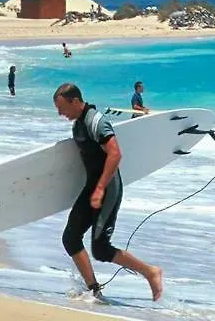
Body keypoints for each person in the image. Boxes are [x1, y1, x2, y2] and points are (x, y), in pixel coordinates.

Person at [52, 83, 164, 301]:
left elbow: (115, 154)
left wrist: (101, 188)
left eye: (62, 107)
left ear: (75, 101)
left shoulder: (96, 121)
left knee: (101, 249)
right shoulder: (79, 124)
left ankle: (151, 272)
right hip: (92, 187)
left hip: (107, 188)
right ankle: (94, 290)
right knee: (71, 238)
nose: (60, 113)